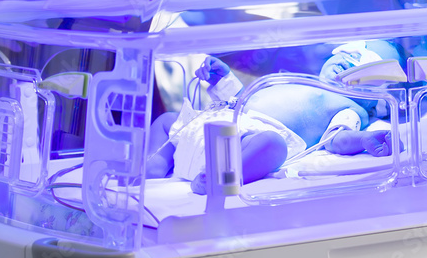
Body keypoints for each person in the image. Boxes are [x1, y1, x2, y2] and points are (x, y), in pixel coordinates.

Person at [146, 42, 399, 193]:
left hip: (245, 142)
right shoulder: (300, 79)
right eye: (348, 54)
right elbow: (245, 99)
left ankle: (217, 178)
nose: (348, 63)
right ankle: (153, 166)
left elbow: (337, 139)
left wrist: (365, 139)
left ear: (377, 101)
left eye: (365, 66)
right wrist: (222, 79)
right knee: (168, 120)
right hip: (216, 123)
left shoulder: (350, 108)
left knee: (272, 145)